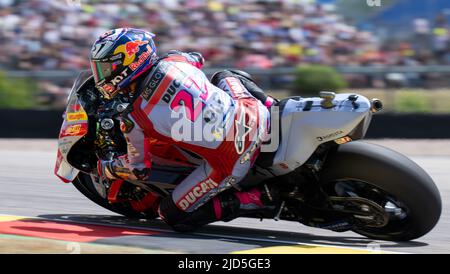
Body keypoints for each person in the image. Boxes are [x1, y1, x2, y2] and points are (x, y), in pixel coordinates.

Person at [92, 28, 278, 231]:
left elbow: (139, 170)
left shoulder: (133, 117)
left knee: (171, 214)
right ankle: (273, 105)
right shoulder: (174, 61)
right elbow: (196, 58)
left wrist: (106, 167)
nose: (102, 75)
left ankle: (255, 199)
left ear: (128, 62)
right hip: (254, 111)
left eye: (107, 68)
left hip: (233, 158)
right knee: (225, 75)